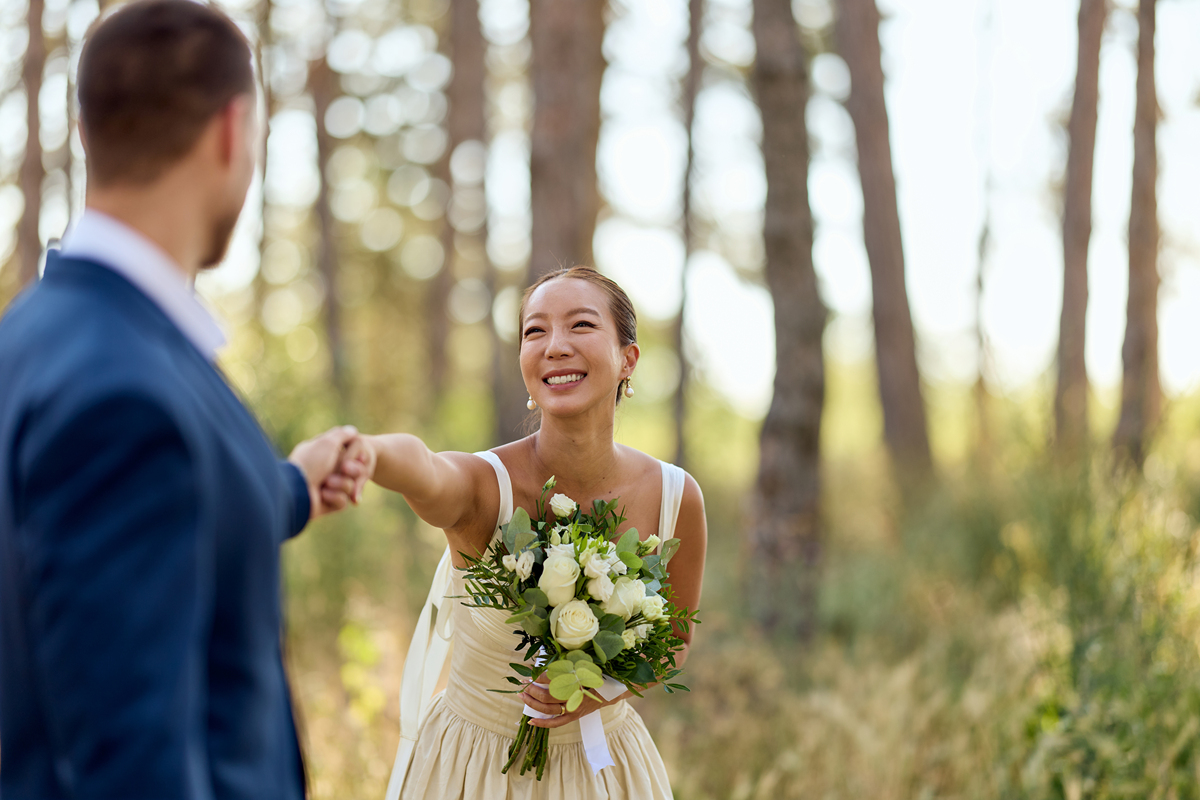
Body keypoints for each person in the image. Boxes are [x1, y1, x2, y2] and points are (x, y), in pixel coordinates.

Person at [0, 2, 368, 797]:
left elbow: (154, 514)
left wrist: (293, 485)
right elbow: (133, 763)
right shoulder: (123, 392)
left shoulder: (40, 333)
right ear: (233, 131)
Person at [363, 267, 707, 800]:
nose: (555, 346)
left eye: (581, 325)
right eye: (535, 331)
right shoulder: (484, 487)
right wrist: (369, 453)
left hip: (608, 772)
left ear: (628, 359)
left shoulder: (674, 495)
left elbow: (674, 643)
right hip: (473, 771)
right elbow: (426, 468)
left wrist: (605, 690)